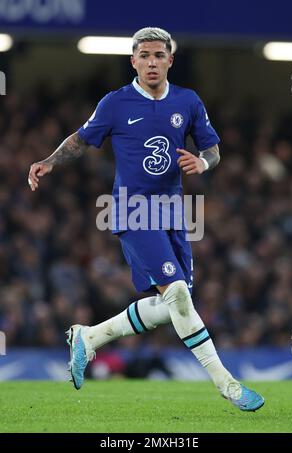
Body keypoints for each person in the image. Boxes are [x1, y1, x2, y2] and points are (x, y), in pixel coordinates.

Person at [28, 27, 264, 411]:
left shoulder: (188, 102)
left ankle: (88, 338)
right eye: (144, 55)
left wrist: (203, 161)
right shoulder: (115, 103)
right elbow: (80, 139)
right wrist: (48, 161)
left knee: (174, 305)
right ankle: (228, 384)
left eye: (159, 55)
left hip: (173, 212)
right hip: (131, 210)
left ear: (170, 60)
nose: (152, 62)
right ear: (133, 60)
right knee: (178, 295)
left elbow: (213, 150)